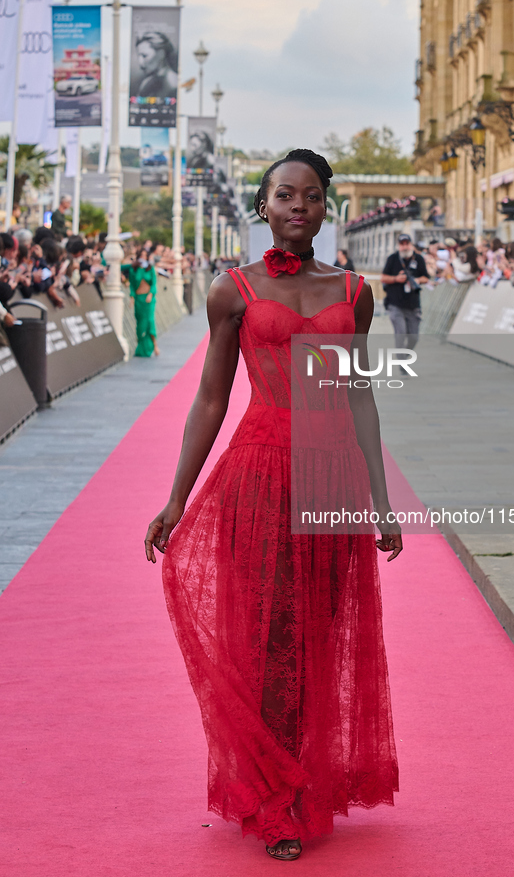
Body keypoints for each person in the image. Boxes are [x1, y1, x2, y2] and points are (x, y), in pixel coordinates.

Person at [144, 148, 402, 862]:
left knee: (315, 633)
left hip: (329, 480)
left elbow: (359, 396)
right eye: (285, 194)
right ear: (264, 205)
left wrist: (382, 501)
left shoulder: (353, 291)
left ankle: (303, 778)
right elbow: (209, 398)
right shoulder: (232, 290)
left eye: (311, 196)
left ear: (325, 208)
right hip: (256, 476)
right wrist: (176, 496)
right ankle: (274, 797)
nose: (297, 206)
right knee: (265, 636)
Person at [381, 233, 429, 352]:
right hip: (395, 303)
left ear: (411, 244)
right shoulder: (393, 258)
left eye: (407, 244)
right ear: (398, 245)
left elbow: (426, 278)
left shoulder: (418, 259)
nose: (405, 247)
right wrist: (396, 279)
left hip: (413, 304)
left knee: (414, 337)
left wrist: (416, 280)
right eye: (402, 244)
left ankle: (406, 354)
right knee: (400, 333)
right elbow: (383, 277)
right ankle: (401, 361)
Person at [121, 249, 160, 357]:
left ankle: (155, 346)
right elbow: (132, 285)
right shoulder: (134, 269)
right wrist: (132, 297)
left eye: (145, 255)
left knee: (150, 321)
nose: (143, 257)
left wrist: (151, 294)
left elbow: (154, 284)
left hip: (149, 300)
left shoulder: (150, 268)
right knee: (140, 324)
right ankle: (140, 346)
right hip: (139, 299)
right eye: (141, 255)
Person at [134, 31, 177, 98]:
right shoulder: (146, 83)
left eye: (145, 56)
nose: (140, 63)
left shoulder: (173, 84)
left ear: (161, 54)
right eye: (139, 56)